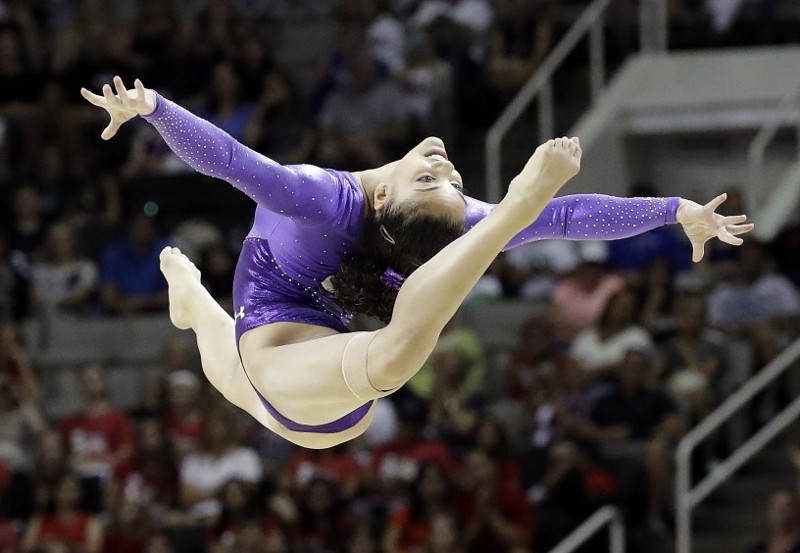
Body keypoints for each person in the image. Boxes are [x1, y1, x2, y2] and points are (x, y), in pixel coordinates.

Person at [80, 76, 752, 449]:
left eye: (437, 181)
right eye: (453, 184)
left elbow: (227, 160)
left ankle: (198, 305)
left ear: (383, 194)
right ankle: (193, 299)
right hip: (306, 366)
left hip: (288, 361)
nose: (447, 170)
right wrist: (674, 209)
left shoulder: (328, 199)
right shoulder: (396, 211)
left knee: (303, 365)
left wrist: (155, 110)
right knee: (214, 343)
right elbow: (570, 217)